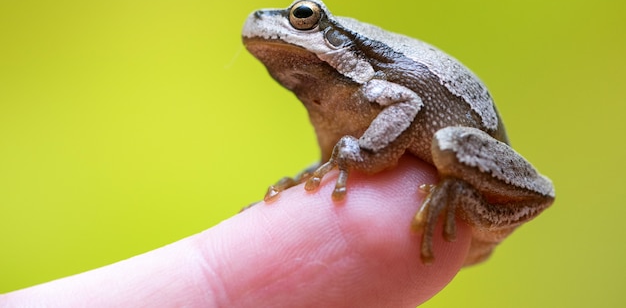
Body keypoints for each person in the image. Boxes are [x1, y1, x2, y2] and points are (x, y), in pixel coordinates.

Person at [1, 155, 470, 307]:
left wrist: (359, 151)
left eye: (302, 19)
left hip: (465, 150)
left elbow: (407, 102)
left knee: (447, 142)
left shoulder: (376, 76)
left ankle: (459, 192)